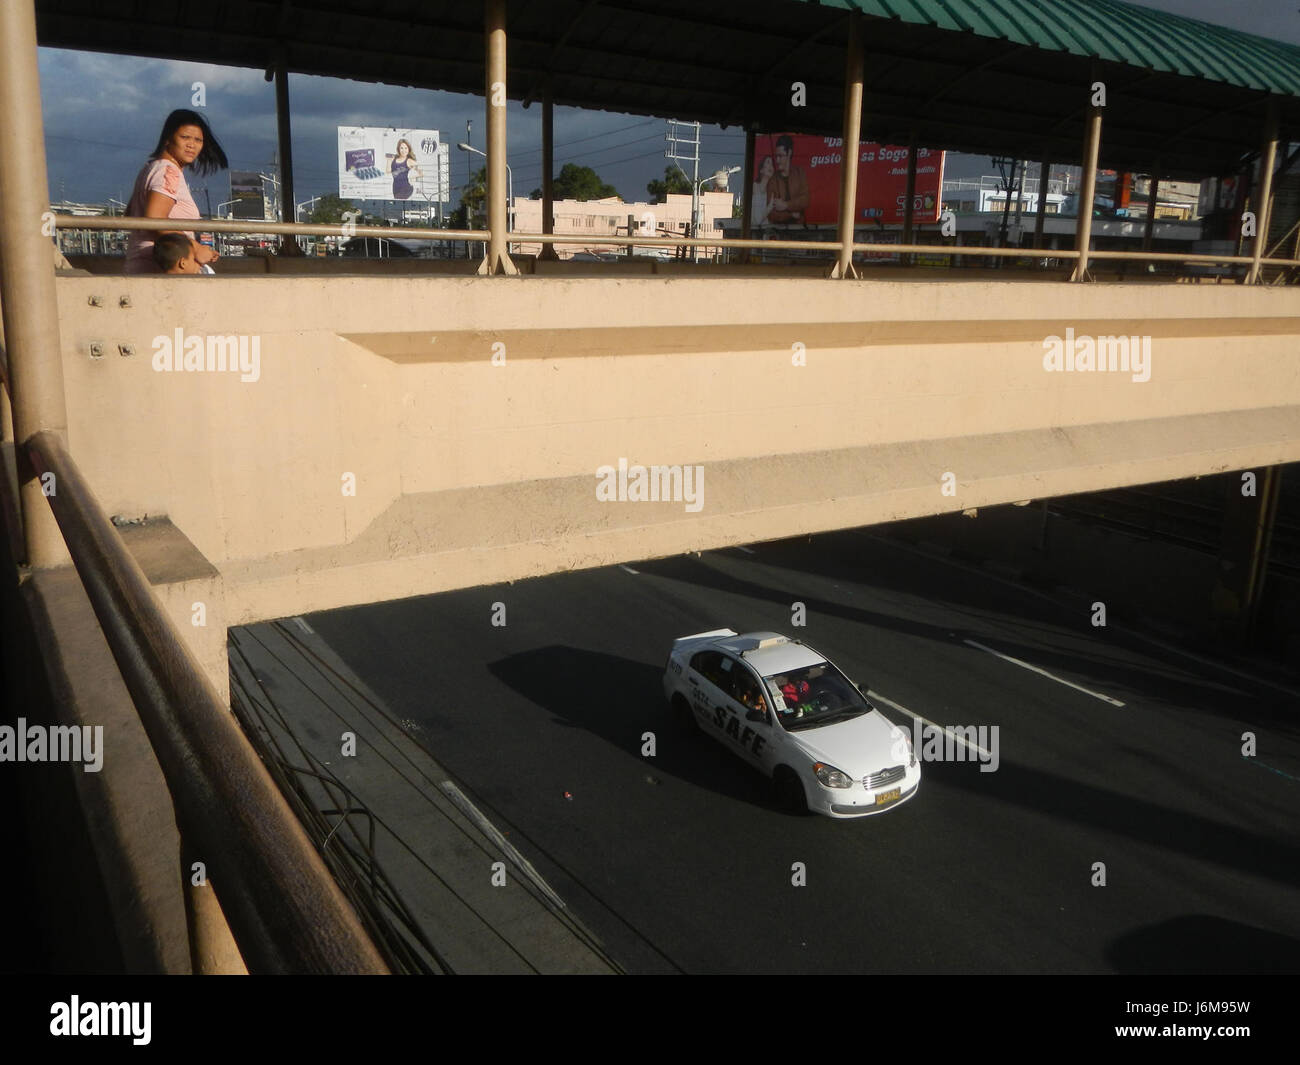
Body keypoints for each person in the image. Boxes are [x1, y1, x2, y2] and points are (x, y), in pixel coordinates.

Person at [125, 109, 228, 274]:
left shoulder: (151, 168)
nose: (191, 145)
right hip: (161, 269)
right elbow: (155, 218)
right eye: (185, 137)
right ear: (167, 138)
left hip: (141, 266)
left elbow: (130, 213)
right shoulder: (169, 171)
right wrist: (195, 248)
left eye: (198, 140)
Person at [766, 135, 809, 223]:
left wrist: (786, 205)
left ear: (789, 153)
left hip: (801, 229)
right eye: (776, 156)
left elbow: (805, 200)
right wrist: (791, 215)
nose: (777, 160)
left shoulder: (799, 173)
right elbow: (771, 214)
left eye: (781, 156)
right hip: (778, 231)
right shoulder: (773, 181)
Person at [750, 155, 774, 227]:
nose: (771, 166)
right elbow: (758, 220)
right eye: (768, 162)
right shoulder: (755, 187)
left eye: (772, 164)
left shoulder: (770, 190)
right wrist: (770, 207)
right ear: (761, 170)